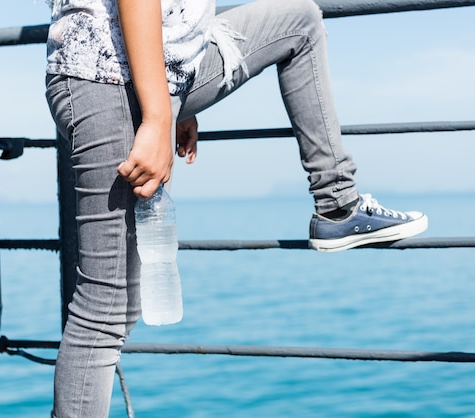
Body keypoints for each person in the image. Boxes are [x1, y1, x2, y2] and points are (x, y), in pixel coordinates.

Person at [44, 0, 427, 416]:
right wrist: (157, 114)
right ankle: (336, 205)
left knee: (299, 21)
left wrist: (175, 102)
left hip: (150, 71)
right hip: (107, 76)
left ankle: (337, 203)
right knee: (104, 313)